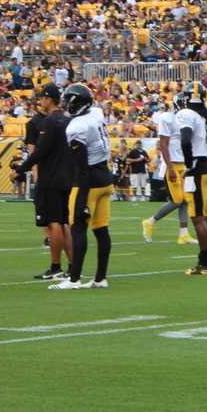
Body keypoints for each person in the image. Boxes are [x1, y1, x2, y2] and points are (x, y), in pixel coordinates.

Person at [51, 84, 116, 290]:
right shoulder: (96, 113)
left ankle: (74, 278)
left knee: (78, 227)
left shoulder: (76, 127)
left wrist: (82, 198)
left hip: (88, 181)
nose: (65, 105)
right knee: (101, 229)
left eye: (68, 101)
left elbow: (82, 165)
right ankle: (100, 278)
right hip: (105, 177)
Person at [13, 85, 73, 280]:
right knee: (65, 223)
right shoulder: (68, 120)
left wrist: (20, 169)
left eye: (42, 98)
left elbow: (40, 152)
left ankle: (56, 267)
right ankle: (73, 266)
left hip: (51, 178)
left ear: (49, 99)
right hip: (67, 176)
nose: (40, 101)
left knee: (54, 223)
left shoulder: (50, 121)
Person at [178, 81, 207, 276]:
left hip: (198, 168)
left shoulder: (187, 114)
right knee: (203, 216)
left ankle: (206, 263)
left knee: (197, 218)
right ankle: (205, 260)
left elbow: (186, 139)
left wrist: (188, 163)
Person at [142, 94, 196, 244]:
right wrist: (170, 167)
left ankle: (183, 234)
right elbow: (163, 144)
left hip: (183, 163)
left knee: (185, 200)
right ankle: (150, 221)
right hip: (171, 163)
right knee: (177, 200)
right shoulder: (168, 117)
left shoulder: (188, 119)